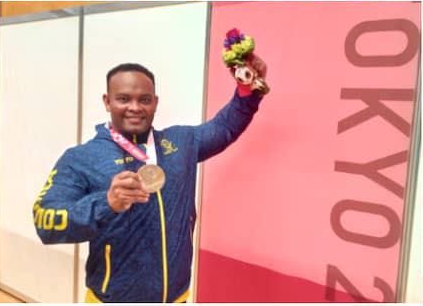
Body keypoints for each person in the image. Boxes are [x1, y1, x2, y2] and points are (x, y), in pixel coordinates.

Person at [33, 60, 267, 303]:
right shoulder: (82, 158)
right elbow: (45, 222)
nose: (135, 107)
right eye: (123, 99)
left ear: (155, 102)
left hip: (176, 298)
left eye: (144, 99)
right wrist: (106, 203)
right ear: (107, 101)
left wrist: (247, 88)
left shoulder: (181, 143)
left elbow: (225, 127)